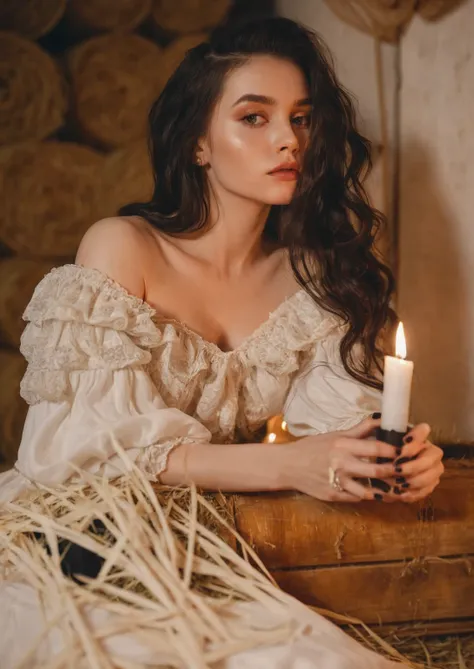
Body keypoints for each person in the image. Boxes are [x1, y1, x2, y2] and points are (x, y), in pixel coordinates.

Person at [0, 17, 443, 668]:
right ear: (199, 144)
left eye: (301, 117)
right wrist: (290, 464)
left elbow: (336, 436)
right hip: (74, 541)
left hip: (207, 548)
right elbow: (87, 456)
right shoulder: (124, 247)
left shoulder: (314, 278)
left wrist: (389, 463)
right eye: (254, 118)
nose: (288, 139)